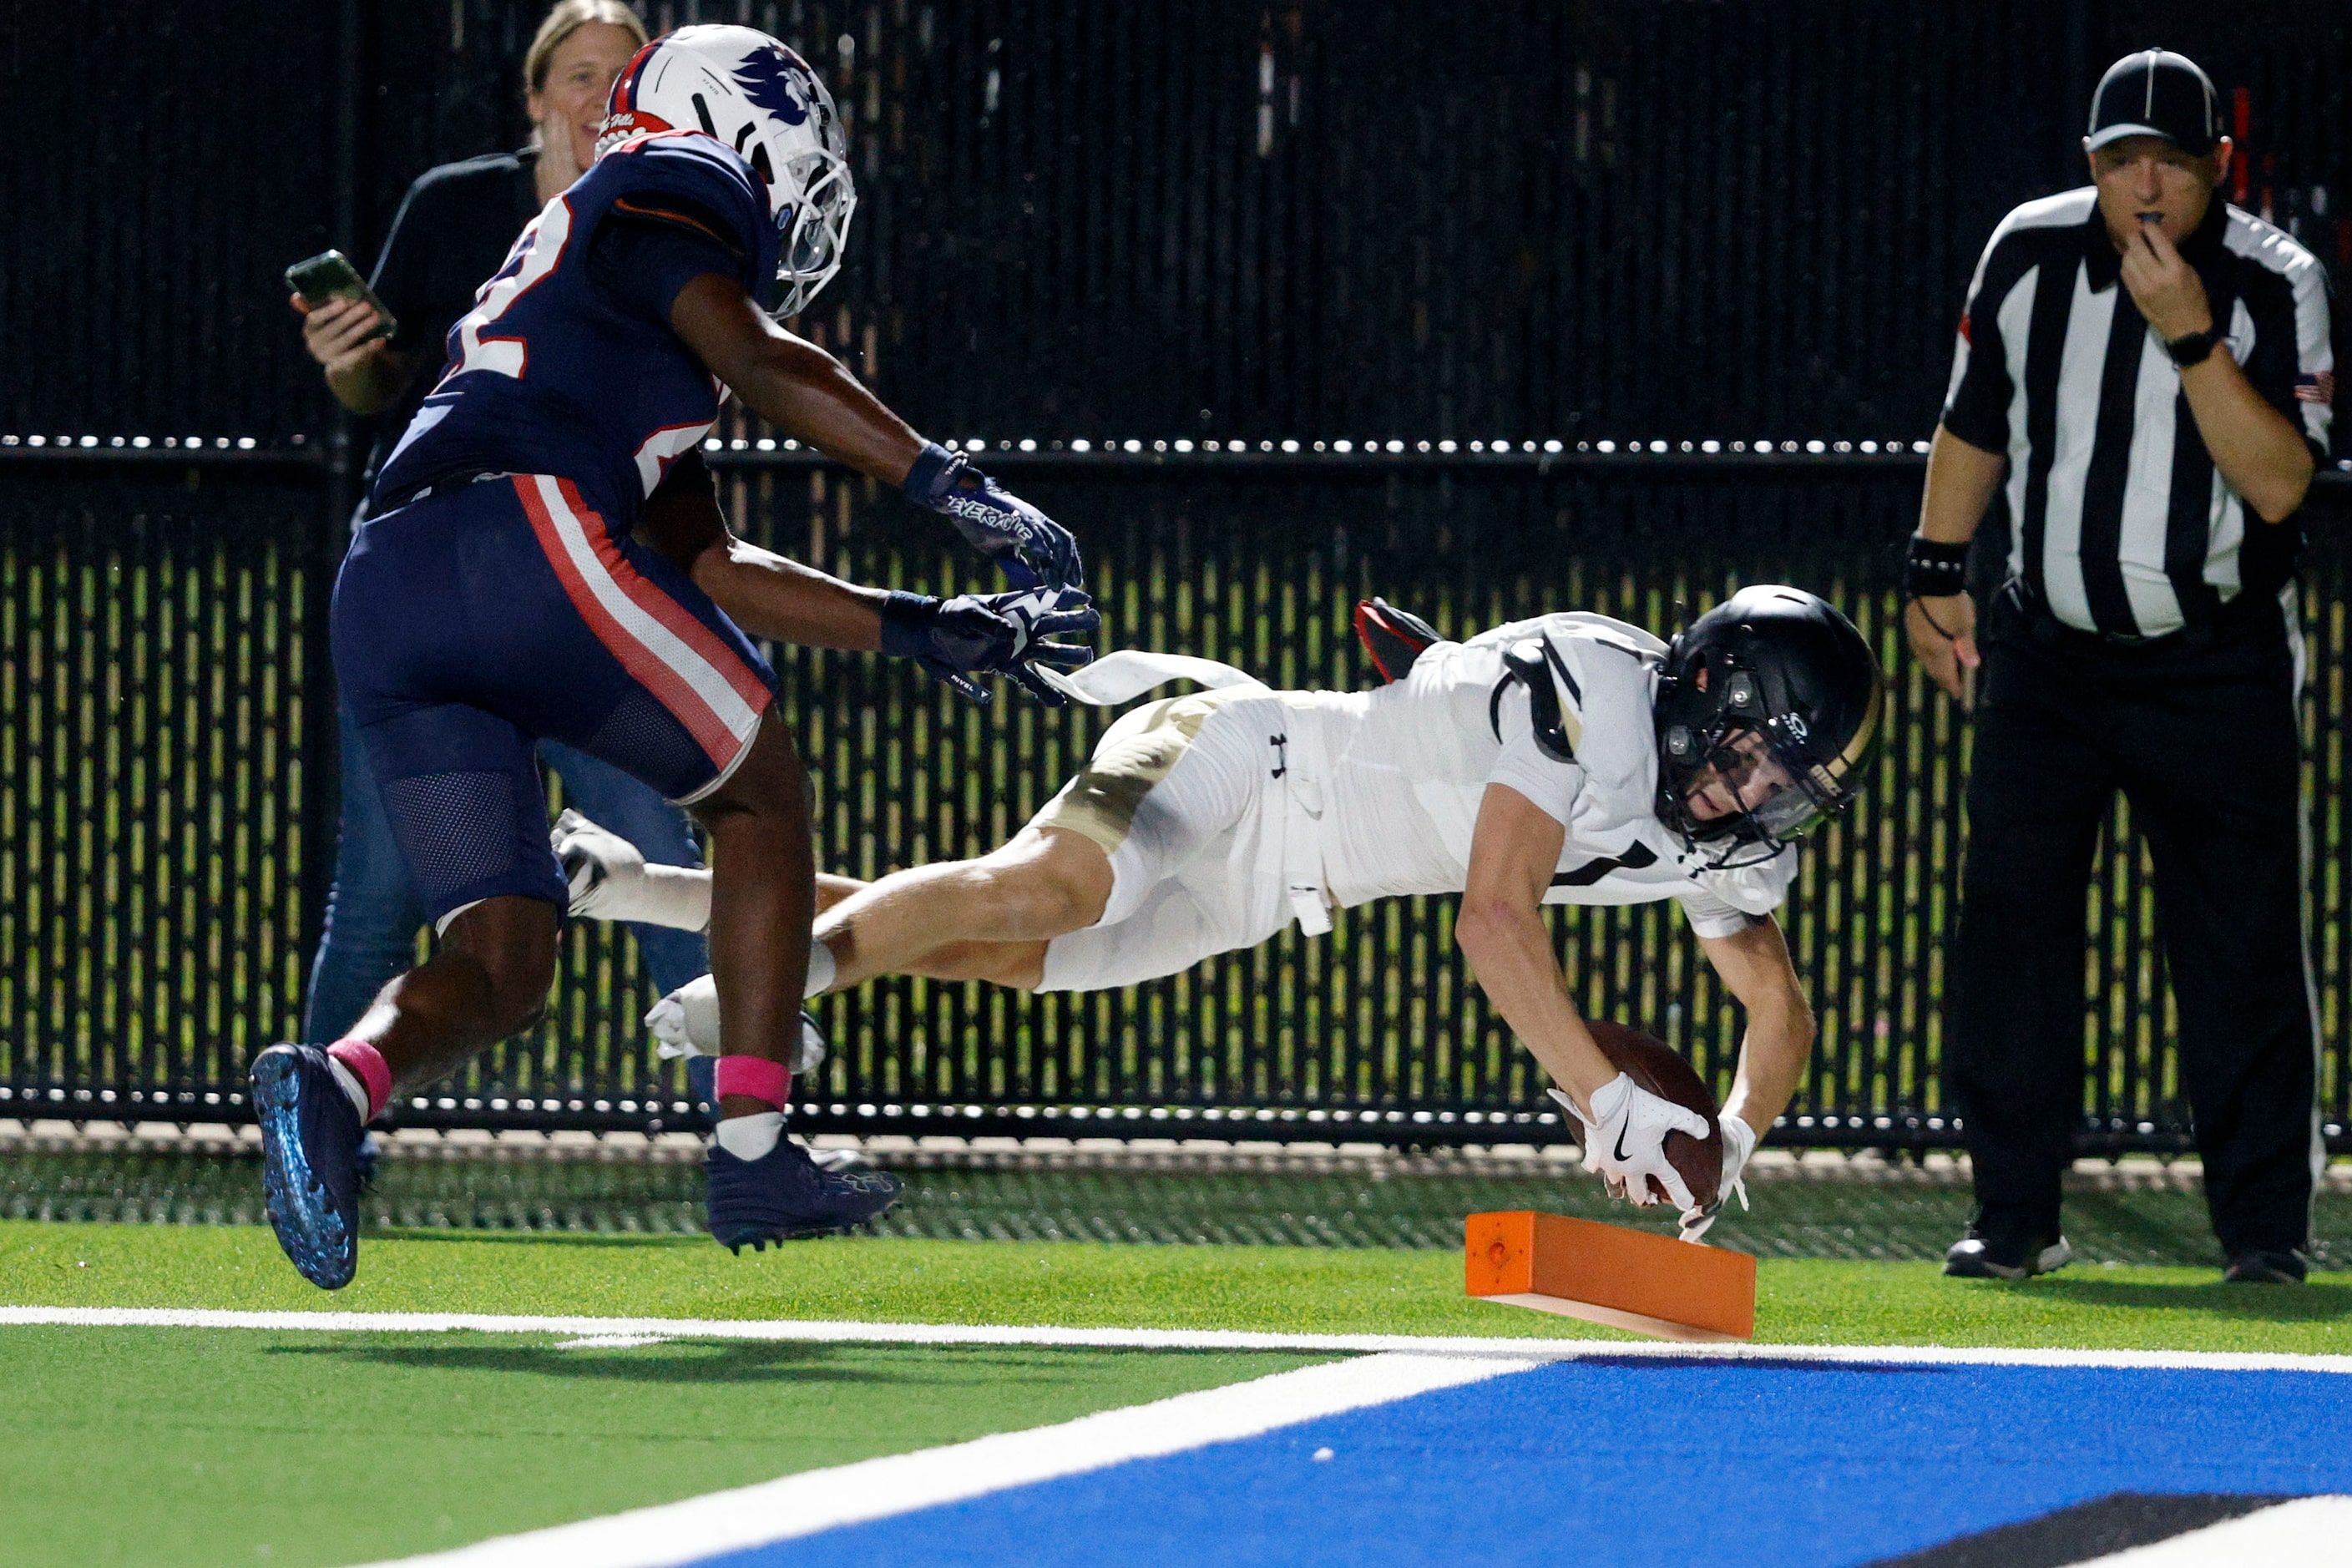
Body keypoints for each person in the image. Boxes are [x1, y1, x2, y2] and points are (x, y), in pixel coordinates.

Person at [251, 23, 1097, 1291]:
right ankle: (754, 1142)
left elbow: (712, 567)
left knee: (505, 957)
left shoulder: (606, 302)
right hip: (520, 532)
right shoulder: (666, 189)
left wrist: (923, 622)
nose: (797, 205)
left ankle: (339, 1080)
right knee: (758, 786)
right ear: (736, 124)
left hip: (394, 578)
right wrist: (960, 489)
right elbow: (768, 363)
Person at [560, 587, 1886, 1235]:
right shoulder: (1591, 682)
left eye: (1785, 778)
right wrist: (1604, 1096)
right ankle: (772, 997)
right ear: (1708, 682)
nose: (1759, 790)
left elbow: (1775, 1004)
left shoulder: (1714, 829)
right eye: (1756, 751)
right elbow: (1494, 921)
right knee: (1048, 885)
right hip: (1241, 754)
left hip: (1270, 891)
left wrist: (1729, 1135)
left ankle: (625, 882)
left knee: (993, 941)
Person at [1904, 49, 2334, 1284]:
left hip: (2214, 658)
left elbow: (2278, 482)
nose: (2142, 185)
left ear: (2219, 169)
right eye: (2115, 160)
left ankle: (2263, 1228)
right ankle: (2012, 1212)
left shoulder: (2270, 279)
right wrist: (1937, 573)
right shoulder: (2028, 252)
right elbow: (1974, 420)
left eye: (2169, 161)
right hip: (2050, 654)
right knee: (2012, 929)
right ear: (2084, 166)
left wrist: (2189, 337)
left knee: (2240, 941)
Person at [291, 1, 715, 1048]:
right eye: (578, 75)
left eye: (624, 78)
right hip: (434, 585)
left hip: (578, 596)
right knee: (382, 889)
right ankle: (314, 1137)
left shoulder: (655, 239)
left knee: (660, 843)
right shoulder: (457, 206)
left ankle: (747, 1137)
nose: (600, 97)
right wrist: (352, 365)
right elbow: (379, 383)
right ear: (534, 100)